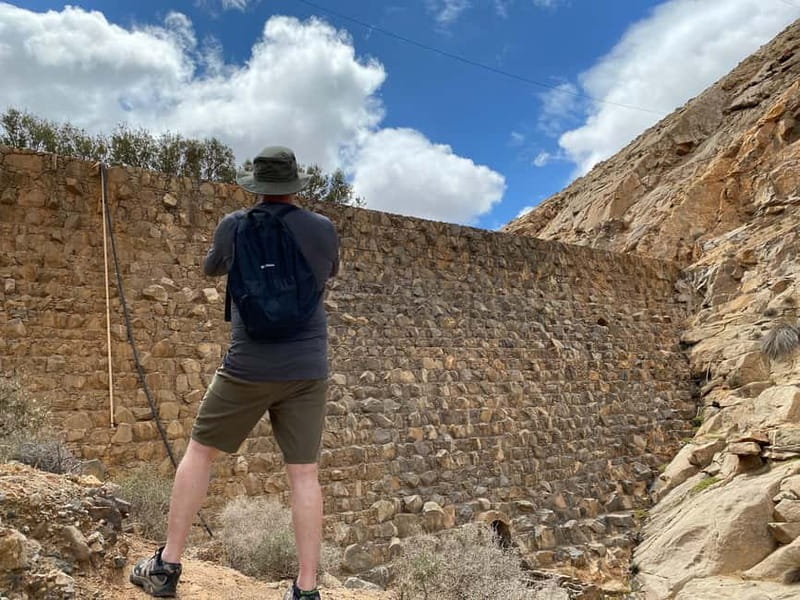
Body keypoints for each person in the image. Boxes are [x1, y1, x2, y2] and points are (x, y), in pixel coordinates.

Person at [130, 146, 340, 600]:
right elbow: (328, 274)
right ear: (294, 184)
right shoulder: (323, 229)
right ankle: (306, 589)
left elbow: (211, 268)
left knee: (200, 452)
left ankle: (166, 566)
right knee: (304, 475)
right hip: (307, 368)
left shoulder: (235, 224)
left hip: (247, 366)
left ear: (257, 186)